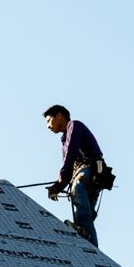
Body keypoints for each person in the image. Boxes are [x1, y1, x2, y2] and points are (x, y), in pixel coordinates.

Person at [43, 105, 103, 247]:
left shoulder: (74, 126)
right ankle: (93, 251)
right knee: (86, 216)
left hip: (90, 170)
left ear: (59, 116)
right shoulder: (65, 139)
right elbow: (68, 168)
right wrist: (59, 185)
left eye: (48, 120)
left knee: (77, 189)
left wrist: (58, 185)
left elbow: (69, 157)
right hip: (96, 176)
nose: (48, 126)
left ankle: (83, 231)